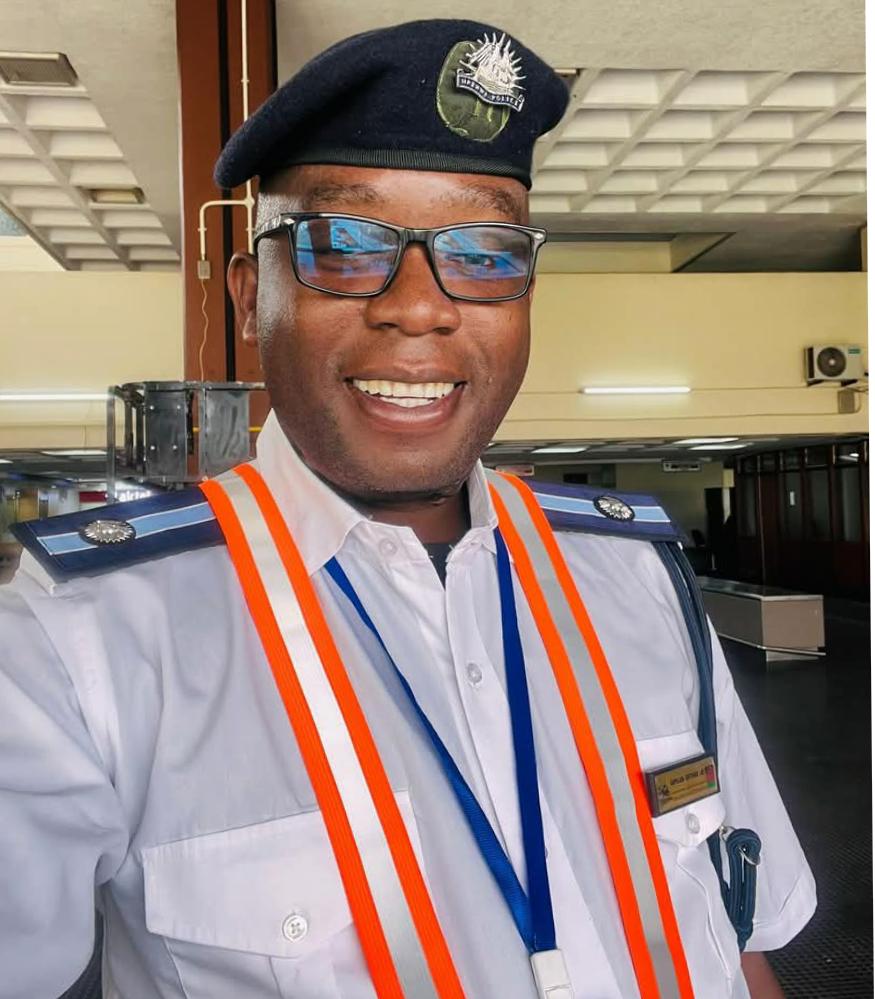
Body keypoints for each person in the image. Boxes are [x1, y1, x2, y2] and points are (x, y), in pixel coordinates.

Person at [0, 19, 813, 999]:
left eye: (485, 251)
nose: (419, 305)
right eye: (345, 246)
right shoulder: (75, 644)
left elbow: (740, 943)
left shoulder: (634, 580)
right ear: (249, 297)